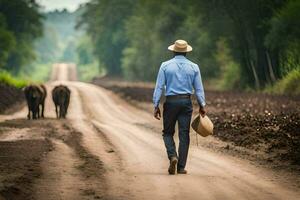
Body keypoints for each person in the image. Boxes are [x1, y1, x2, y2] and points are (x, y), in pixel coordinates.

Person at [153, 39, 206, 175]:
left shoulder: (165, 66)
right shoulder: (194, 67)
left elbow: (159, 87)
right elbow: (199, 89)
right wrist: (202, 105)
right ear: (186, 52)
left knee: (168, 133)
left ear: (174, 51)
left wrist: (156, 105)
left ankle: (173, 156)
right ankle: (181, 167)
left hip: (171, 102)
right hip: (186, 102)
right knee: (184, 134)